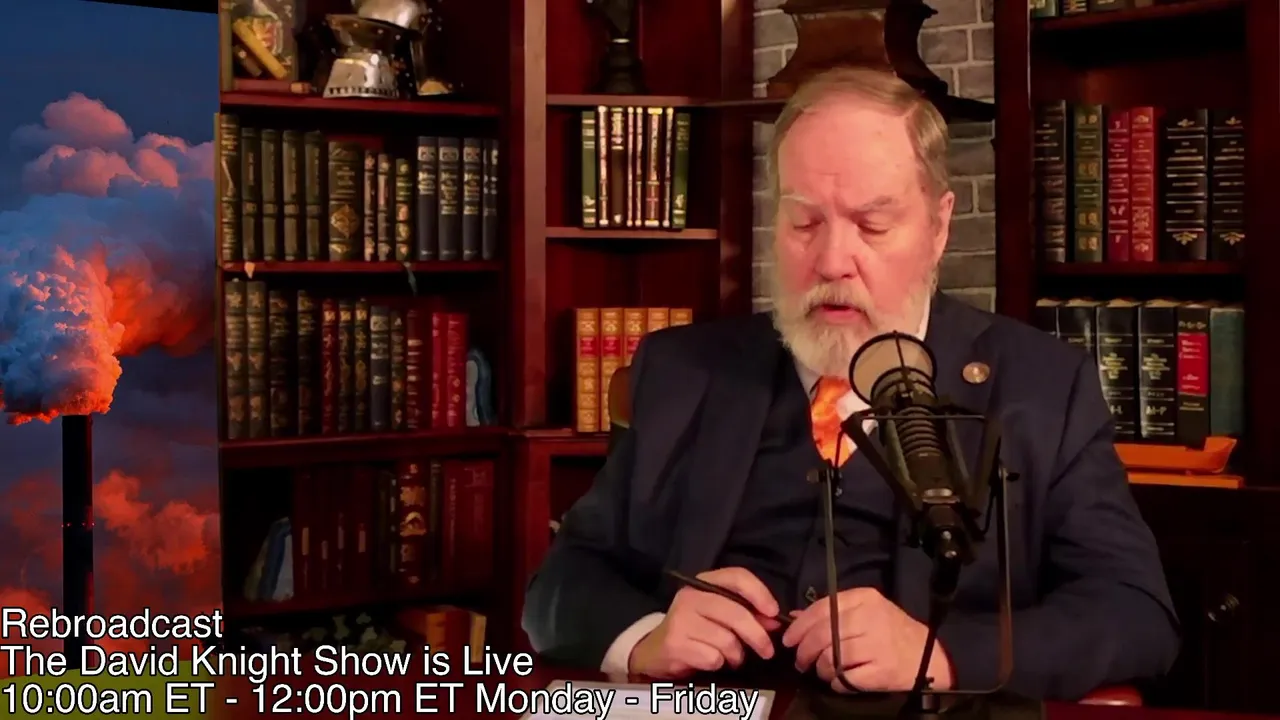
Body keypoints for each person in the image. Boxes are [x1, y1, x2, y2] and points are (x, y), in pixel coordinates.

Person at [522, 66, 1178, 701]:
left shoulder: (1043, 386)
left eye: (872, 225)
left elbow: (1135, 611)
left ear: (939, 227)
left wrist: (941, 654)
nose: (832, 261)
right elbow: (560, 584)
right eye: (804, 223)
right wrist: (646, 638)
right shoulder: (681, 370)